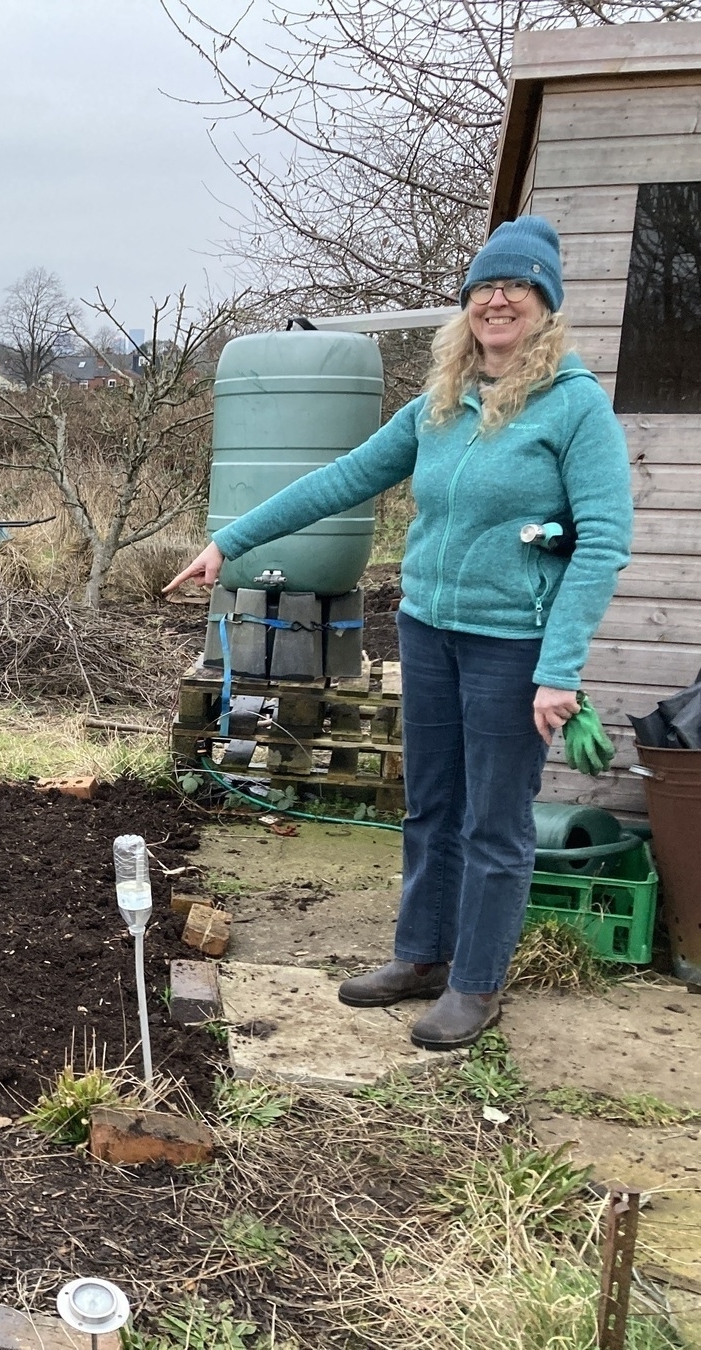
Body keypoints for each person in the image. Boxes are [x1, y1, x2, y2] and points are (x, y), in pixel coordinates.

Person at [166, 216, 632, 1051]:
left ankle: (476, 983)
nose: (498, 300)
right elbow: (345, 476)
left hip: (512, 647)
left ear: (544, 307)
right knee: (432, 807)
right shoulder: (441, 404)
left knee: (495, 822)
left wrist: (559, 669)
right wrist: (230, 540)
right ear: (466, 307)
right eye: (486, 287)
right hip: (429, 631)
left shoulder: (575, 408)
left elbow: (602, 544)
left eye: (517, 288)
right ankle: (420, 957)